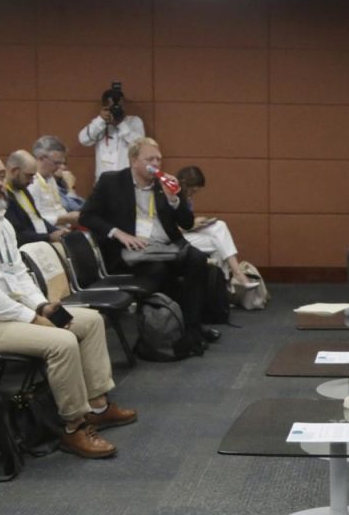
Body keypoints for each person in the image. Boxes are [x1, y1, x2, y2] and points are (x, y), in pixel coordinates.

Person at [0, 151, 137, 459]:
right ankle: (73, 426)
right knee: (62, 341)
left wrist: (41, 306)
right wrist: (33, 319)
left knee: (90, 321)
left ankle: (98, 406)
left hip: (4, 313)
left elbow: (16, 274)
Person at [79, 136, 216, 358]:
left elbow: (187, 223)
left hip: (167, 245)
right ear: (134, 160)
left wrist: (174, 199)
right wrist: (118, 233)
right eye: (149, 159)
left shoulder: (167, 184)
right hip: (132, 249)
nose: (155, 164)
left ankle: (192, 328)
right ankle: (166, 330)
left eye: (159, 159)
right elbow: (87, 216)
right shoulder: (111, 181)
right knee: (158, 270)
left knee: (198, 261)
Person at [175, 165, 253, 291]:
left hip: (185, 233)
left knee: (220, 227)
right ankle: (232, 279)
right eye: (193, 191)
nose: (193, 194)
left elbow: (186, 222)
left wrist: (195, 224)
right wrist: (191, 225)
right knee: (219, 242)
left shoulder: (187, 199)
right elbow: (167, 229)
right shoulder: (170, 198)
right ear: (184, 185)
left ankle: (222, 286)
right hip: (174, 239)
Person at [78, 86, 144, 179]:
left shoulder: (134, 122)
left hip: (127, 181)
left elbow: (140, 146)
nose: (117, 109)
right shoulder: (99, 124)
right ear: (105, 107)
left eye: (120, 106)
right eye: (113, 107)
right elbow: (83, 140)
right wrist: (101, 120)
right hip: (104, 183)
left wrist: (121, 124)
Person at [3, 150, 68, 245]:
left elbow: (37, 219)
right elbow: (17, 235)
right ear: (14, 171)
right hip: (29, 246)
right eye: (29, 176)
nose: (32, 182)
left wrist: (57, 232)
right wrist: (49, 237)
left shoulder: (23, 189)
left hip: (41, 239)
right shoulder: (3, 196)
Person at [28, 137, 82, 228]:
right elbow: (33, 220)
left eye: (63, 163)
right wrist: (65, 218)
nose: (61, 167)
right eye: (57, 163)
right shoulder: (31, 183)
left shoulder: (50, 178)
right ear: (41, 158)